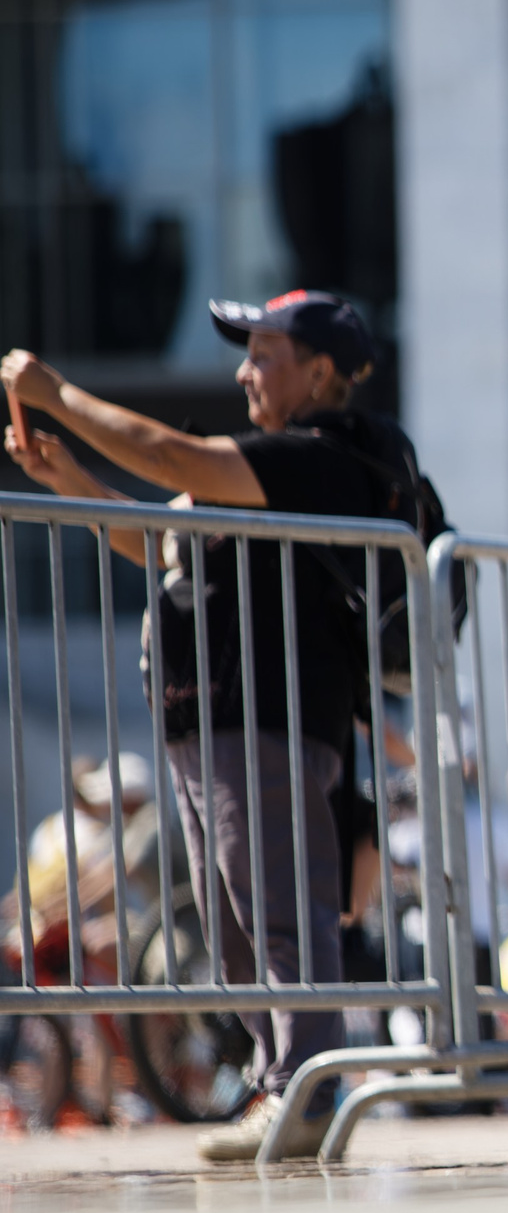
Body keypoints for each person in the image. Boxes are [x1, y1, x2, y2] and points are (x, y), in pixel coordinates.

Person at [3, 290, 391, 1160]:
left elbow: (174, 454)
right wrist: (70, 478)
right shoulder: (267, 469)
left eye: (264, 352)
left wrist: (59, 395)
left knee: (279, 909)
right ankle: (283, 1082)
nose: (245, 370)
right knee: (233, 920)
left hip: (270, 717)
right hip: (212, 721)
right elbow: (159, 539)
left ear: (321, 371)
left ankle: (306, 1085)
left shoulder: (318, 459)